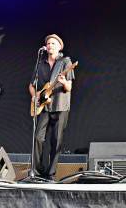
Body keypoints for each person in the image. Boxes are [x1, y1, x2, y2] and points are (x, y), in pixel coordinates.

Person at [29, 34, 75, 180]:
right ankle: (37, 172)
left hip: (60, 105)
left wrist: (63, 81)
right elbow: (31, 85)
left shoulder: (65, 62)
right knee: (37, 138)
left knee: (56, 141)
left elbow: (68, 87)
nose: (50, 45)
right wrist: (35, 95)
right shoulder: (40, 63)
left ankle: (50, 174)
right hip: (44, 106)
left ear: (59, 47)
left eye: (53, 43)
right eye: (48, 43)